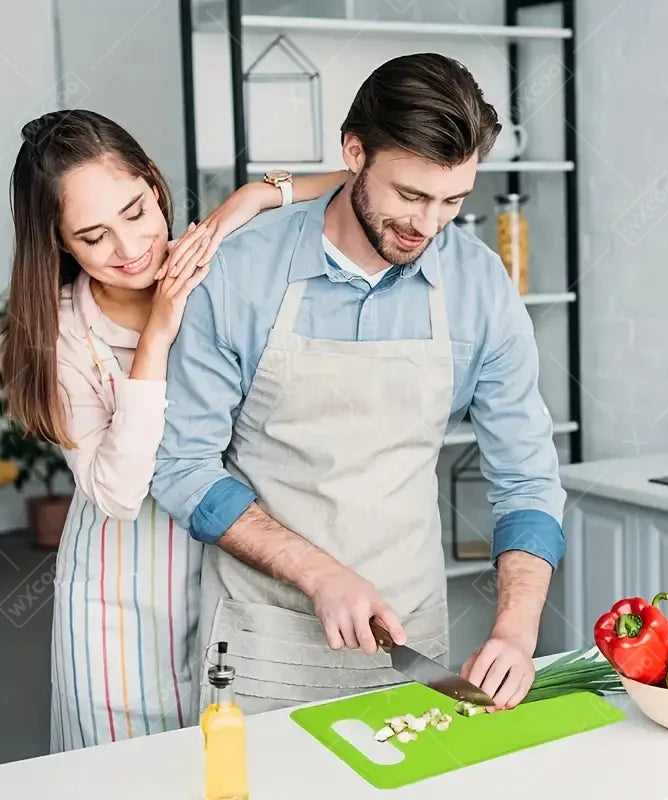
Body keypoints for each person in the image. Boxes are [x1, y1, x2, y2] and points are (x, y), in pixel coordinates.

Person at [152, 52, 567, 716]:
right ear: (354, 152)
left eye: (453, 202)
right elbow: (181, 467)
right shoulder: (240, 273)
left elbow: (527, 479)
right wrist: (319, 574)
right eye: (410, 196)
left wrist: (516, 631)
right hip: (268, 648)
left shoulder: (479, 286)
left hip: (411, 641)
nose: (428, 226)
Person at [0, 108, 345, 751]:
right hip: (117, 602)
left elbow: (362, 183)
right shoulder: (64, 337)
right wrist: (158, 329)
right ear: (60, 244)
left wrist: (248, 199)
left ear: (155, 186)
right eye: (93, 236)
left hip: (232, 573)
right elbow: (121, 492)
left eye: (135, 211)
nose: (131, 249)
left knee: (227, 765)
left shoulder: (212, 262)